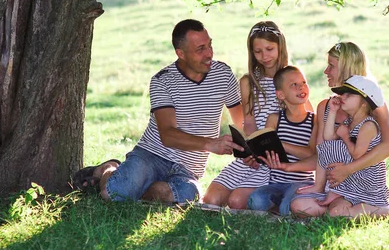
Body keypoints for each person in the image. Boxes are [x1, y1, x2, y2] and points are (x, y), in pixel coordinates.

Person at [71, 19, 244, 203]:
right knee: (113, 195)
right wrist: (210, 144)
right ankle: (109, 168)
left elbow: (242, 121)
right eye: (200, 49)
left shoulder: (223, 74)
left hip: (187, 169)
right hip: (152, 156)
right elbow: (168, 135)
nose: (209, 53)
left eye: (210, 45)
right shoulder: (163, 81)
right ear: (181, 53)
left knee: (188, 196)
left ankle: (138, 186)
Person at [266, 42, 389, 219]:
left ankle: (372, 210)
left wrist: (348, 169)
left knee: (330, 210)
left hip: (362, 183)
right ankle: (346, 213)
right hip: (333, 186)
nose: (325, 71)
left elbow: (388, 146)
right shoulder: (326, 106)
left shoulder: (373, 105)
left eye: (331, 66)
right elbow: (323, 153)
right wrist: (290, 167)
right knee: (299, 206)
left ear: (346, 69)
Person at [202, 21, 289, 209]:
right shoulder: (248, 82)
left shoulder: (292, 79)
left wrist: (269, 153)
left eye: (269, 49)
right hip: (254, 155)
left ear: (280, 46)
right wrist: (252, 148)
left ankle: (272, 200)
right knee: (211, 200)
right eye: (258, 51)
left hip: (277, 159)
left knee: (236, 201)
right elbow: (248, 121)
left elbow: (304, 117)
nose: (264, 56)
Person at [297, 75, 389, 217]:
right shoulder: (350, 122)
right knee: (323, 210)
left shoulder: (368, 125)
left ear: (364, 103)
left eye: (349, 95)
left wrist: (345, 136)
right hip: (351, 181)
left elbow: (357, 154)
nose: (343, 97)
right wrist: (332, 111)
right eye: (343, 94)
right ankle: (338, 196)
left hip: (366, 182)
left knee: (335, 213)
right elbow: (328, 138)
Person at [247, 66, 318, 216]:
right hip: (276, 183)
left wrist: (281, 144)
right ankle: (279, 209)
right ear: (281, 94)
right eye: (294, 85)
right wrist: (256, 157)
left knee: (289, 206)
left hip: (302, 183)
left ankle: (281, 209)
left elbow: (311, 153)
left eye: (304, 82)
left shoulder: (315, 120)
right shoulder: (274, 119)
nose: (301, 87)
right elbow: (267, 149)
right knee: (255, 200)